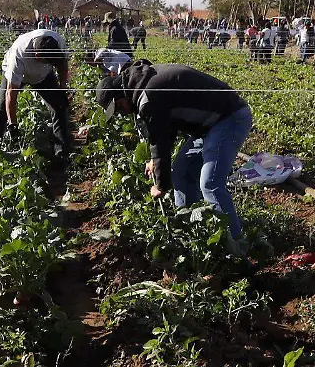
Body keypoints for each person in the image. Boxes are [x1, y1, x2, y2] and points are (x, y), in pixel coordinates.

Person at [94, 61, 252, 244]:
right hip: (209, 124)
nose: (122, 112)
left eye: (119, 107)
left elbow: (159, 141)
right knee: (181, 171)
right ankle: (189, 231)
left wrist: (160, 185)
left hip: (229, 118)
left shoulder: (148, 97)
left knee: (210, 183)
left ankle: (235, 245)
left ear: (120, 93)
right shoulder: (144, 80)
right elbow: (167, 127)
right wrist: (155, 161)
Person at [0, 28, 72, 163]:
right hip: (17, 74)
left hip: (43, 77)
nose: (51, 63)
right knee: (2, 108)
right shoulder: (19, 56)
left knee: (58, 106)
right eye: (48, 61)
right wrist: (13, 125)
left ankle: (62, 153)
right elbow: (11, 95)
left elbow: (62, 65)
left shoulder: (57, 41)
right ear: (38, 56)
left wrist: (62, 89)